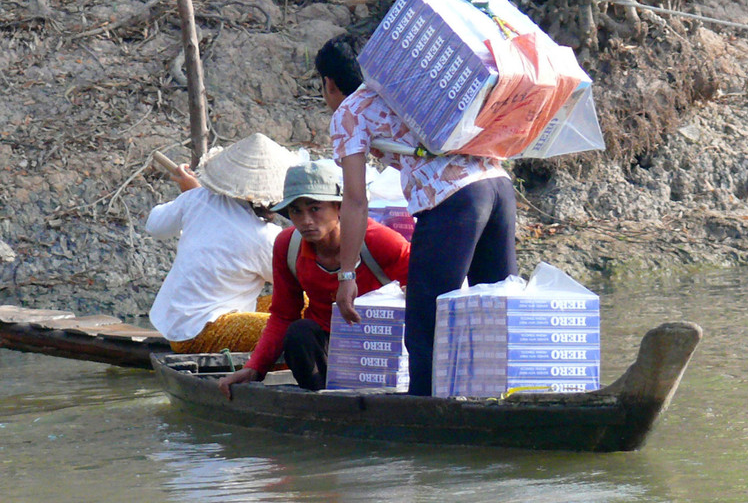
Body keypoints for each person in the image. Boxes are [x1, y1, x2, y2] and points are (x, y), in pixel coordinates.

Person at [316, 34, 518, 396]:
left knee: (426, 326)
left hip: (453, 198)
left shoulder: (350, 110)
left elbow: (355, 200)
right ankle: (504, 405)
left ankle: (424, 416)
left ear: (329, 83)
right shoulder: (408, 86)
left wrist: (347, 275)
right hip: (498, 186)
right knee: (494, 313)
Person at [218, 161, 410, 396]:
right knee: (299, 333)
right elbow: (283, 315)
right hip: (325, 349)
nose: (306, 220)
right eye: (296, 211)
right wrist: (254, 369)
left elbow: (423, 291)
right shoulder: (288, 246)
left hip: (378, 347)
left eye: (315, 208)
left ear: (339, 208)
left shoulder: (379, 241)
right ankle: (321, 401)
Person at [147, 133, 303, 353]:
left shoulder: (197, 197)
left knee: (306, 305)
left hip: (179, 322)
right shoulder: (265, 238)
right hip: (198, 333)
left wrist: (192, 196)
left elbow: (155, 225)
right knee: (302, 327)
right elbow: (295, 280)